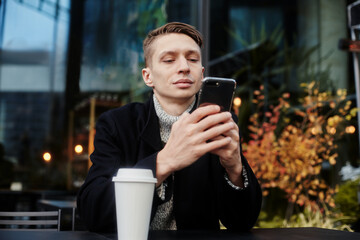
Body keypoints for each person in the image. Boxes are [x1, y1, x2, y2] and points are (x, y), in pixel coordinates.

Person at [77, 22, 262, 232]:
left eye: (192, 59)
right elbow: (93, 213)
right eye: (169, 60)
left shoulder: (217, 123)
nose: (184, 67)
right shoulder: (117, 124)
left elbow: (243, 222)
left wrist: (234, 168)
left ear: (201, 74)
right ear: (148, 76)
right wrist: (164, 161)